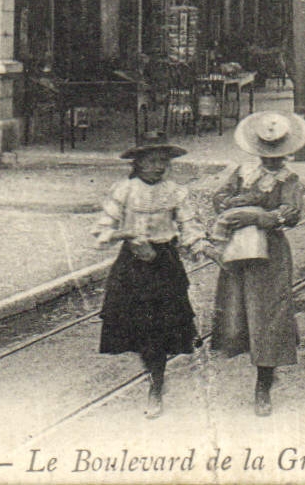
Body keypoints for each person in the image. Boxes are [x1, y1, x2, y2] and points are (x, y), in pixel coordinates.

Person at [92, 141, 213, 419]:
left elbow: (188, 225)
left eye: (163, 162)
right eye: (151, 161)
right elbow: (103, 230)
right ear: (138, 163)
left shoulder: (175, 192)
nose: (158, 167)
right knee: (140, 327)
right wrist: (127, 235)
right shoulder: (124, 190)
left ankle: (156, 386)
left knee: (160, 328)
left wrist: (201, 245)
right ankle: (153, 375)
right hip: (132, 266)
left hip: (165, 263)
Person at [210, 111, 305, 417]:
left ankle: (263, 384)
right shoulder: (242, 171)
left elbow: (290, 213)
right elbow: (220, 197)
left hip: (270, 253)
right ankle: (245, 355)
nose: (273, 159)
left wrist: (255, 215)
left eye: (278, 153)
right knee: (238, 309)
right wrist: (235, 204)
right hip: (239, 248)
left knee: (269, 314)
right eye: (267, 153)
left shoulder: (288, 179)